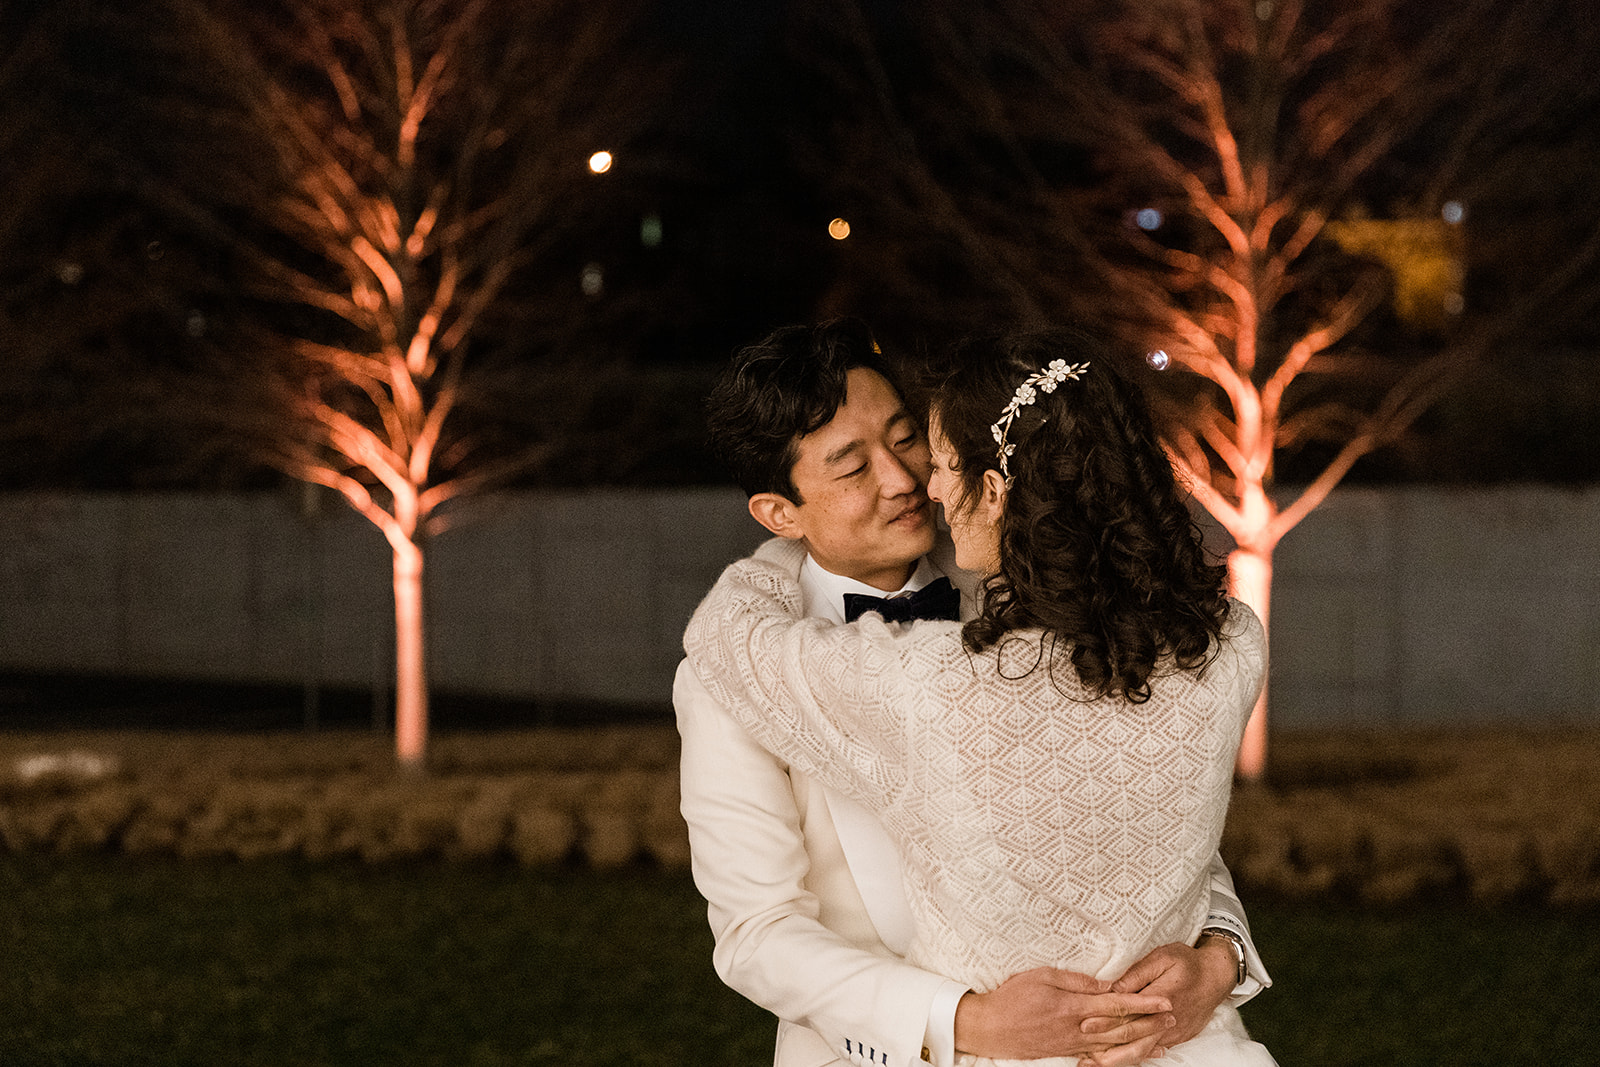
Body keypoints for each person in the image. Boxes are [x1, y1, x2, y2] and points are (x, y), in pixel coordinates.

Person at [674, 320, 1270, 1067]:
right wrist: (962, 1022)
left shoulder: (1041, 601)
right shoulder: (725, 680)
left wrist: (1218, 957)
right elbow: (758, 932)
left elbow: (1165, 822)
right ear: (780, 514)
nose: (903, 481)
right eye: (853, 467)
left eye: (905, 439)